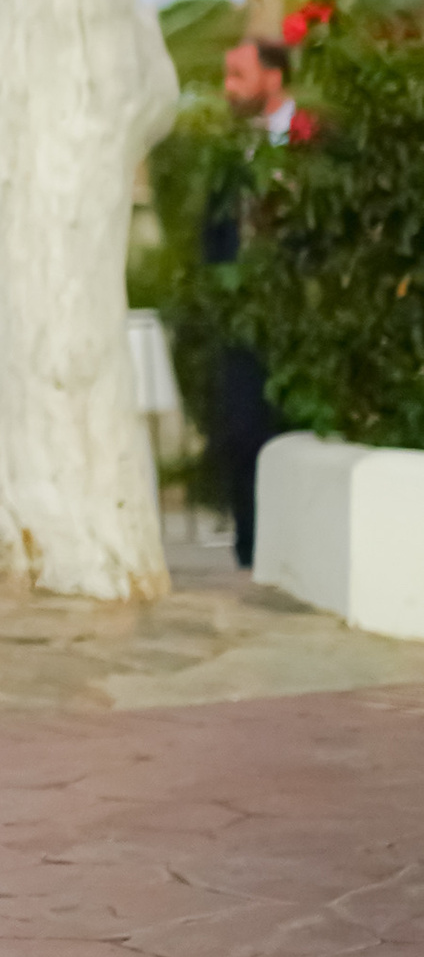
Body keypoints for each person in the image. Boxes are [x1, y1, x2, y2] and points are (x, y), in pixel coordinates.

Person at [204, 28, 293, 570]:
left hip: (300, 313)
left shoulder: (314, 138)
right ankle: (251, 550)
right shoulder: (229, 151)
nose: (228, 89)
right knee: (242, 429)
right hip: (241, 318)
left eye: (239, 75)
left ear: (273, 76)